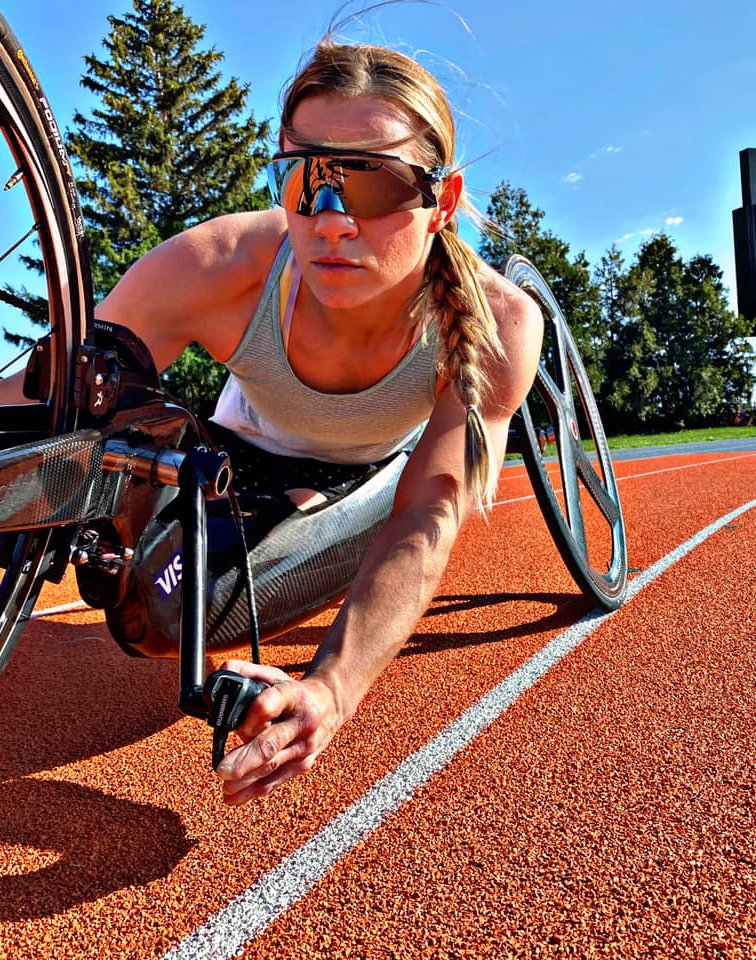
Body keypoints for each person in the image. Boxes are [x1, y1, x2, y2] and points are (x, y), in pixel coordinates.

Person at [95, 39, 543, 805]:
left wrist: (331, 690)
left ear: (440, 199)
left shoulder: (498, 321)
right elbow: (40, 395)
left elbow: (430, 511)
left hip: (367, 479)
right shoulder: (221, 263)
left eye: (372, 185)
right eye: (306, 181)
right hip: (235, 454)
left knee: (163, 618)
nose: (332, 222)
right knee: (136, 602)